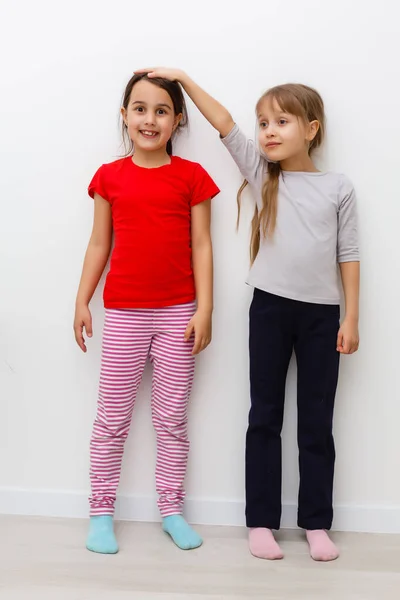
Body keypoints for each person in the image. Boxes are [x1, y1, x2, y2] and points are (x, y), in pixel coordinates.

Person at [135, 67, 360, 562]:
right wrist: (185, 81)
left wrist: (351, 318)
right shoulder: (263, 175)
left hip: (323, 317)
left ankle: (316, 524)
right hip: (270, 311)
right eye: (263, 124)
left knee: (316, 423)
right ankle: (261, 521)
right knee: (265, 417)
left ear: (312, 128)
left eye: (281, 121)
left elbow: (348, 254)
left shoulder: (339, 187)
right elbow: (224, 124)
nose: (268, 132)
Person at [74, 72, 220, 554]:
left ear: (177, 121)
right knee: (112, 419)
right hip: (124, 315)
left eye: (161, 110)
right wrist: (81, 299)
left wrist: (205, 308)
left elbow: (202, 245)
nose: (149, 119)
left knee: (172, 419)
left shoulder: (193, 177)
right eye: (140, 109)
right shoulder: (109, 177)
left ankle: (172, 509)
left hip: (179, 314)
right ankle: (100, 513)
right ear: (125, 116)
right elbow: (100, 243)